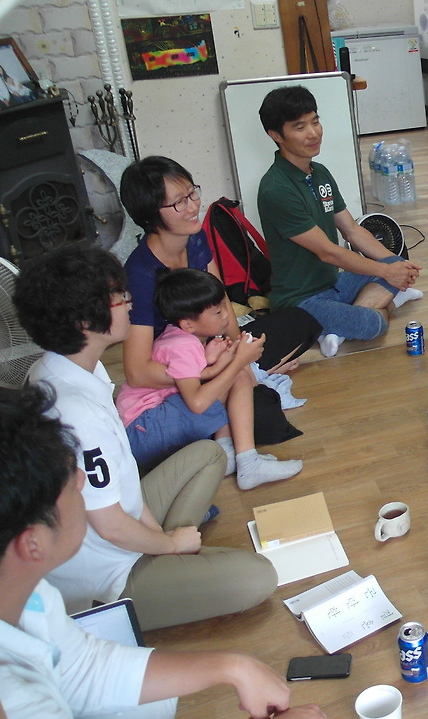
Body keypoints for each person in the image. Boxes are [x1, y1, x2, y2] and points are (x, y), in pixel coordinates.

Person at [0, 387, 328, 719]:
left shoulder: (12, 587)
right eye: (71, 486)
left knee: (152, 703)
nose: (82, 481)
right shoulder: (4, 697)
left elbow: (82, 666)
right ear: (31, 543)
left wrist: (233, 666)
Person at [14, 244, 278, 631]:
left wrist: (157, 533)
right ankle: (165, 559)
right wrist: (170, 544)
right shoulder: (76, 413)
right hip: (107, 573)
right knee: (259, 576)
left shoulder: (63, 370)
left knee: (209, 454)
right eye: (119, 297)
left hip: (123, 516)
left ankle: (168, 552)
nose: (129, 303)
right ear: (84, 321)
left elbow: (121, 498)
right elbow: (111, 527)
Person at [256, 85, 423, 357]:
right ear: (275, 135)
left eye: (315, 122)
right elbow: (328, 252)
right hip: (301, 300)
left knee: (394, 261)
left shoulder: (319, 173)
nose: (313, 133)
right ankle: (378, 307)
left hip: (335, 283)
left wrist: (396, 266)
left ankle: (336, 326)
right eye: (300, 127)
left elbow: (352, 230)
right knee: (372, 324)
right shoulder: (276, 189)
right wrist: (387, 274)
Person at [120, 155, 320, 379]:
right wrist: (218, 369)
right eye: (179, 202)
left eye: (192, 193)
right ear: (149, 214)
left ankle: (251, 375)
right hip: (178, 365)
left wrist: (239, 349)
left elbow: (221, 299)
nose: (193, 206)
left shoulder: (195, 238)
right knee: (254, 390)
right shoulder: (140, 275)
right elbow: (137, 372)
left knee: (302, 321)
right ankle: (248, 377)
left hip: (213, 346)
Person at [115, 267, 303, 488]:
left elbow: (194, 377)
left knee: (233, 373)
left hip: (147, 431)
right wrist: (239, 361)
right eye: (217, 312)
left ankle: (229, 453)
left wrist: (217, 361)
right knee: (236, 374)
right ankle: (247, 462)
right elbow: (197, 402)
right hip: (145, 432)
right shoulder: (183, 346)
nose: (226, 315)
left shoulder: (182, 337)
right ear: (188, 324)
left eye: (224, 306)